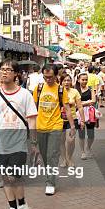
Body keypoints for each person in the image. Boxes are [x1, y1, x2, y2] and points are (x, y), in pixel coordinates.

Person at [0, 59, 37, 209]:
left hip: (19, 142)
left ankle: (22, 207)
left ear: (16, 74)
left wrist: (34, 142)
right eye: (2, 69)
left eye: (8, 69)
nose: (4, 72)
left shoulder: (25, 95)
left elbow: (32, 121)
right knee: (5, 177)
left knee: (15, 176)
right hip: (0, 143)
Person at [33, 65, 75, 195]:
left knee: (52, 154)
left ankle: (50, 182)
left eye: (51, 77)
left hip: (56, 126)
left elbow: (67, 109)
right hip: (40, 126)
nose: (48, 80)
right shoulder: (38, 88)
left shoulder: (61, 90)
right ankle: (49, 175)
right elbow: (33, 108)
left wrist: (72, 126)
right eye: (46, 77)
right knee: (44, 155)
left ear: (56, 76)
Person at [59, 74, 85, 168]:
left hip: (72, 119)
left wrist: (82, 120)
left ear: (71, 82)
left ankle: (69, 158)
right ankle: (64, 159)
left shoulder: (75, 92)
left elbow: (80, 107)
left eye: (68, 80)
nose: (66, 82)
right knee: (61, 141)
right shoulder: (58, 91)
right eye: (64, 80)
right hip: (59, 120)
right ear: (61, 81)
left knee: (71, 140)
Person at [75, 72, 97, 159]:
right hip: (79, 114)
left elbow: (93, 101)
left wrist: (81, 103)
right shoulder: (75, 90)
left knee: (91, 134)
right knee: (81, 133)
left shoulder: (91, 88)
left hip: (90, 114)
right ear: (78, 80)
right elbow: (75, 104)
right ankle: (83, 152)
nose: (84, 81)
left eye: (86, 79)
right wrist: (87, 102)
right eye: (83, 79)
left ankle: (88, 148)